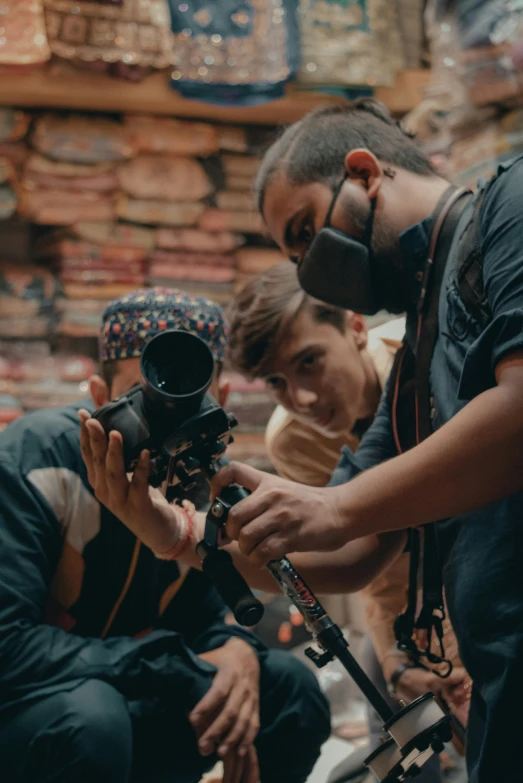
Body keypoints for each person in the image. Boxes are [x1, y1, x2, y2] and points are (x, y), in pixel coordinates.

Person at [204, 101, 523, 783]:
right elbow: (352, 552)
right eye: (292, 255)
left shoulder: (509, 208)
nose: (310, 267)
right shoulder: (415, 352)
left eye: (305, 231)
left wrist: (331, 508)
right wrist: (186, 537)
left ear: (362, 173)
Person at [0, 287, 331, 783]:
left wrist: (237, 650)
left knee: (289, 689)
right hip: (38, 712)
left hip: (135, 700)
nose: (166, 423)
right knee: (93, 716)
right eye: (144, 399)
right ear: (97, 398)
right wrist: (169, 663)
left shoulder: (204, 478)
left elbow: (209, 613)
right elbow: (8, 647)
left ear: (219, 400)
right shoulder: (34, 460)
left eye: (187, 400)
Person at [227, 262, 461, 783]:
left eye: (310, 362)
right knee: (401, 746)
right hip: (404, 603)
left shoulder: (433, 362)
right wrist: (399, 660)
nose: (302, 399)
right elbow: (371, 564)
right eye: (276, 382)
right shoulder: (293, 439)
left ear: (355, 327)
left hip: (486, 577)